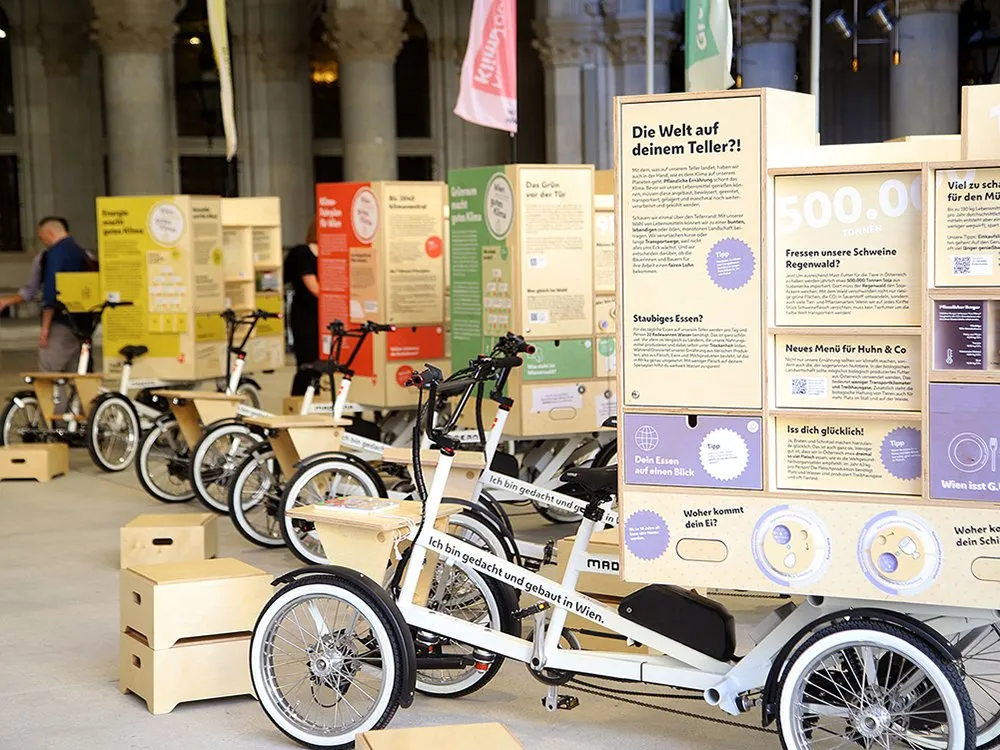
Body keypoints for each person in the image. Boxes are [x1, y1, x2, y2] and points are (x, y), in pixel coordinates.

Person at [37, 216, 90, 373]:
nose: (43, 242)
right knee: (76, 372)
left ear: (50, 233)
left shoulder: (56, 253)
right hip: (82, 320)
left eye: (42, 238)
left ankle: (56, 399)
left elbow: (51, 291)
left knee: (49, 371)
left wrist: (45, 329)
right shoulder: (80, 252)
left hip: (62, 320)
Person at [284, 219, 320, 396]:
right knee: (307, 364)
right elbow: (314, 288)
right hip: (306, 318)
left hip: (326, 317)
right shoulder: (302, 253)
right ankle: (299, 402)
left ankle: (318, 402)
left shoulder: (331, 253)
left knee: (322, 367)